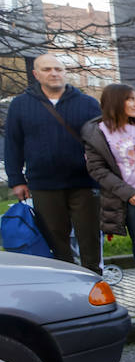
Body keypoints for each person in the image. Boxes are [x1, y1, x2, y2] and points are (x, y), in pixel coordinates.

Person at [3, 53, 103, 270]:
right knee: (56, 240)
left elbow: (102, 142)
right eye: (47, 69)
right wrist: (16, 180)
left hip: (84, 182)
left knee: (90, 238)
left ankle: (94, 287)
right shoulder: (20, 105)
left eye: (58, 69)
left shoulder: (88, 104)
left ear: (65, 73)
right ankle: (66, 286)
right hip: (44, 184)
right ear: (36, 74)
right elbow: (13, 144)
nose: (54, 73)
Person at [81, 84, 135, 301]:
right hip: (127, 197)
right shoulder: (97, 132)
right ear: (116, 102)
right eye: (131, 99)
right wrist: (127, 193)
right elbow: (96, 169)